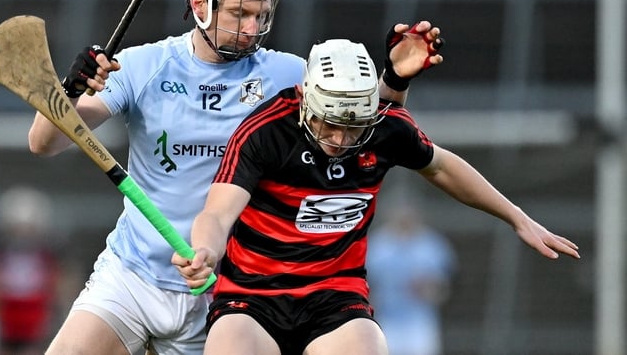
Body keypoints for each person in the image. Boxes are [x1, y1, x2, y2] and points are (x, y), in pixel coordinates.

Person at [28, 0, 443, 355]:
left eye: (261, 15)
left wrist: (395, 81)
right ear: (200, 2)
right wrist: (71, 87)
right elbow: (44, 142)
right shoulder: (141, 66)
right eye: (239, 13)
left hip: (233, 293)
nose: (251, 28)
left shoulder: (287, 75)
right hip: (134, 275)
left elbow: (365, 125)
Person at [172, 38, 580, 355]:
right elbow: (218, 212)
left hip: (335, 293)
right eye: (330, 124)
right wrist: (206, 248)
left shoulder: (386, 127)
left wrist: (515, 217)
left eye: (353, 127)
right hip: (251, 295)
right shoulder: (265, 132)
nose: (340, 138)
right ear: (307, 99)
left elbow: (441, 166)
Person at [0, 186, 74, 355]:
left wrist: (57, 308)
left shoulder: (50, 253)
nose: (23, 233)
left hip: (35, 312)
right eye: (18, 227)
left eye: (28, 227)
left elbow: (63, 281)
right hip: (6, 312)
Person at [365, 202, 457, 355]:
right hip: (386, 319)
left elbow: (446, 286)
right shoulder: (377, 245)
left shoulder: (432, 245)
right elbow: (364, 283)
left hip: (420, 321)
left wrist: (430, 290)